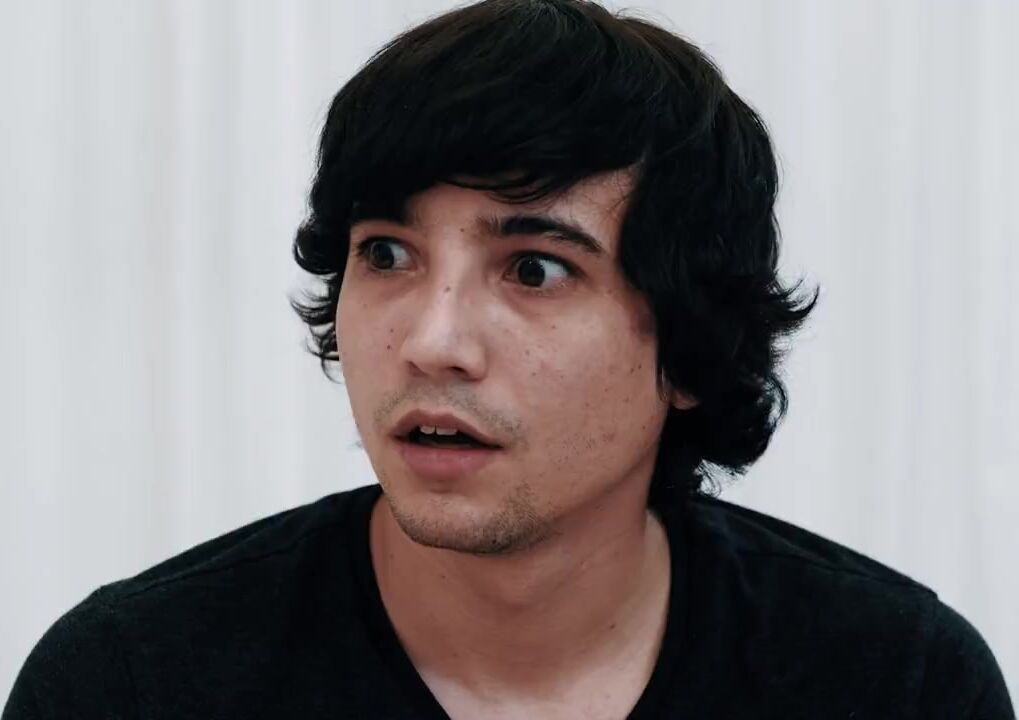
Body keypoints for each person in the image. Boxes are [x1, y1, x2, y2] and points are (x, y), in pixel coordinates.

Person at [4, 0, 1013, 717]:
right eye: (385, 255)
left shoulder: (894, 684)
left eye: (533, 270)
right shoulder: (131, 684)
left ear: (688, 348)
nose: (432, 341)